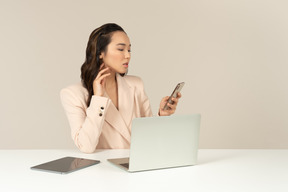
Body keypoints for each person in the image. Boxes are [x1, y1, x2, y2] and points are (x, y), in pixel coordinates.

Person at [60, 23, 181, 153]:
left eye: (129, 50)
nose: (127, 55)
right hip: (102, 169)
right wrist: (98, 99)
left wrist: (162, 115)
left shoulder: (136, 84)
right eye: (121, 49)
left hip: (138, 164)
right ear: (101, 52)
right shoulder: (73, 94)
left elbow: (149, 136)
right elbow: (86, 146)